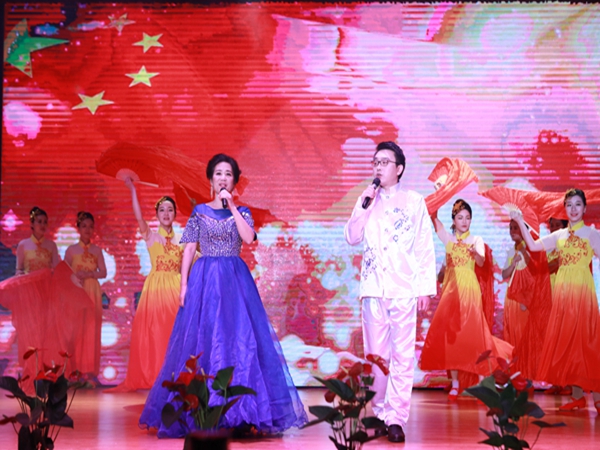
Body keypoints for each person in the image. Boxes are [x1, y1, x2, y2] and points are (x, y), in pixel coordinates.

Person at [139, 153, 307, 437]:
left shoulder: (242, 212)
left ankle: (240, 412)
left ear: (234, 181)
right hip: (204, 280)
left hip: (234, 280)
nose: (223, 178)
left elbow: (248, 238)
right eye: (218, 173)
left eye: (228, 174)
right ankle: (201, 410)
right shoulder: (199, 211)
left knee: (237, 338)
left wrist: (233, 207)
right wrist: (183, 285)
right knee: (203, 339)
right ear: (211, 179)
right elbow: (189, 249)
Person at [344, 141, 436, 443]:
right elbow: (352, 237)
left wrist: (425, 289)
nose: (379, 167)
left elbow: (424, 246)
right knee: (376, 358)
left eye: (385, 162)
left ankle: (396, 417)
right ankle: (378, 414)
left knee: (402, 356)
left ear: (399, 168)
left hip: (404, 288)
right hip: (373, 289)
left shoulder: (414, 201)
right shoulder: (367, 199)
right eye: (376, 162)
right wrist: (362, 205)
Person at [511, 189, 600, 413]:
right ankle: (578, 397)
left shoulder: (592, 234)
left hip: (583, 294)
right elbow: (533, 246)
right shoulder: (559, 236)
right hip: (562, 296)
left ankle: (597, 398)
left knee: (587, 343)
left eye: (577, 204)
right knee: (570, 344)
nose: (573, 209)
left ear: (584, 208)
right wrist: (520, 221)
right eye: (569, 205)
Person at [420, 200, 512, 400]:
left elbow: (481, 261)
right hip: (452, 294)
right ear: (454, 220)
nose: (464, 221)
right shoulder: (449, 241)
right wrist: (439, 196)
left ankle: (481, 383)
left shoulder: (476, 239)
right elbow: (435, 221)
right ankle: (455, 384)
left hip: (470, 292)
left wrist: (475, 253)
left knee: (475, 336)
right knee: (451, 339)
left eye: (467, 218)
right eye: (460, 217)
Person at [106, 181, 183, 391]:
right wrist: (133, 190)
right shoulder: (152, 237)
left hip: (176, 288)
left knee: (175, 333)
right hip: (156, 291)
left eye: (170, 209)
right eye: (162, 210)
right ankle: (157, 375)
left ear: (175, 214)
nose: (166, 213)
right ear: (156, 215)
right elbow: (139, 217)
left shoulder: (182, 240)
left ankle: (176, 375)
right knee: (156, 333)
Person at [501, 220, 552, 381]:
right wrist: (513, 264)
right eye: (511, 228)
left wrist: (524, 252)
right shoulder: (511, 251)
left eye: (516, 228)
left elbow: (535, 273)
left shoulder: (532, 250)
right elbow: (504, 274)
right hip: (511, 300)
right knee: (512, 337)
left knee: (524, 336)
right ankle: (514, 375)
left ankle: (526, 376)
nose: (513, 231)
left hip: (526, 302)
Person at [64, 212, 106, 378]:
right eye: (84, 226)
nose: (87, 230)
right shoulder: (71, 250)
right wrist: (75, 277)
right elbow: (64, 272)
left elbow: (103, 272)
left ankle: (89, 372)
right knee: (76, 331)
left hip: (92, 292)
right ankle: (74, 372)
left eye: (90, 226)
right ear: (78, 228)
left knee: (91, 330)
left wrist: (89, 274)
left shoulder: (97, 250)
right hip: (76, 291)